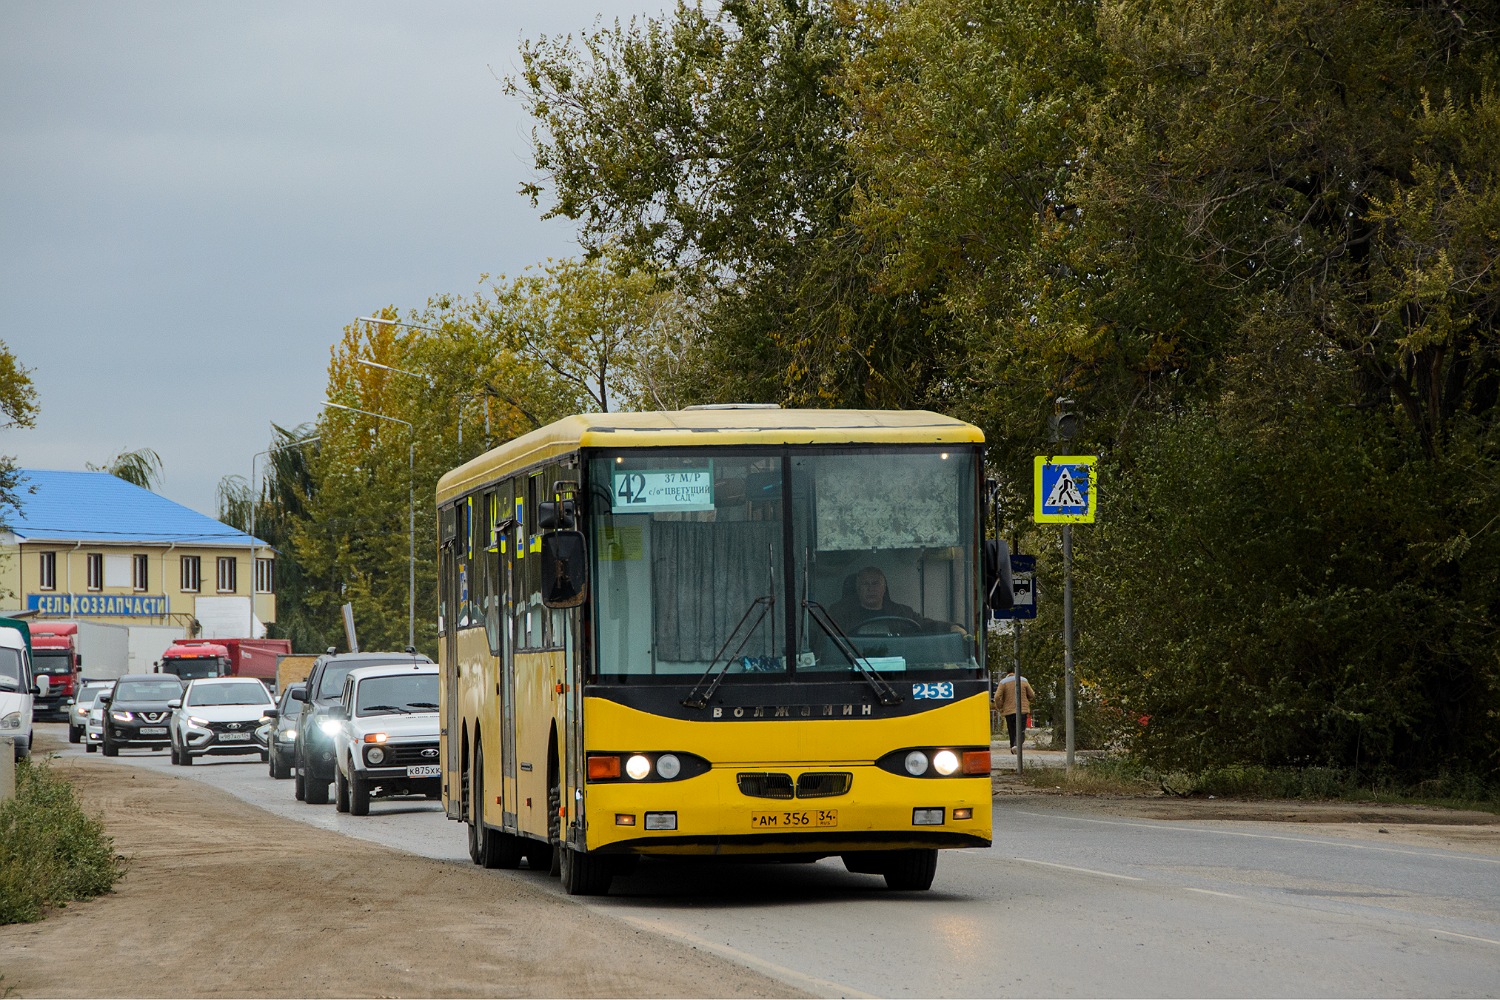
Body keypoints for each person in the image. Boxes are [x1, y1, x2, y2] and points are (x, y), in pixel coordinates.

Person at [827, 566, 963, 635]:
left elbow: (925, 625)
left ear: (884, 588)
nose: (870, 588)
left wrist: (951, 627)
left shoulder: (902, 613)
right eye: (865, 584)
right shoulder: (838, 614)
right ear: (857, 589)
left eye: (875, 584)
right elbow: (826, 645)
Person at [993, 669, 1035, 753]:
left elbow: (997, 696)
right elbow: (1032, 694)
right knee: (1021, 729)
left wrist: (1000, 706)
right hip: (1022, 710)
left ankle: (1013, 746)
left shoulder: (1003, 682)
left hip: (1009, 711)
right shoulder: (1024, 680)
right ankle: (1017, 745)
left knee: (1011, 729)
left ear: (1007, 673)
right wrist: (1029, 699)